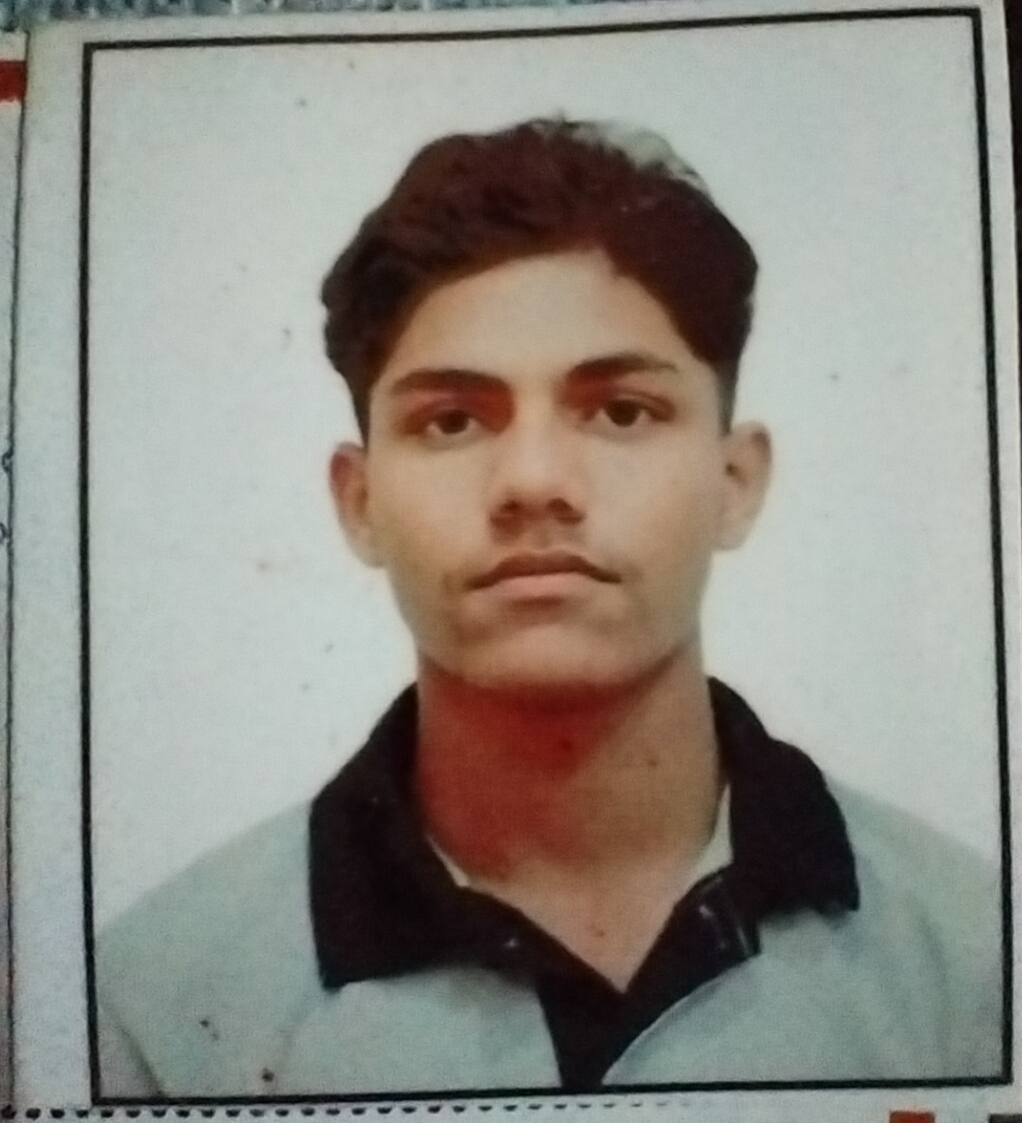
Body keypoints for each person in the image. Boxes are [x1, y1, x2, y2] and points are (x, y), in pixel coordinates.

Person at [97, 118, 1001, 1098]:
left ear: (734, 483)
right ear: (360, 503)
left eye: (620, 411)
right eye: (452, 420)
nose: (533, 480)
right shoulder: (159, 1006)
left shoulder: (975, 964)